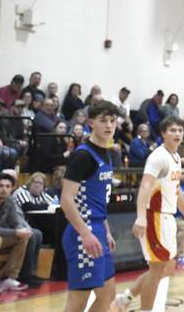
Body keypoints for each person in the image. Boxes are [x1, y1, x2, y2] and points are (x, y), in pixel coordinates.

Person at [113, 116, 184, 312]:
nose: (177, 134)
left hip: (168, 218)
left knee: (166, 268)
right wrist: (141, 216)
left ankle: (124, 299)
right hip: (155, 217)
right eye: (172, 130)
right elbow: (144, 187)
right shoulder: (158, 156)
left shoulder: (176, 157)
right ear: (163, 133)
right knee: (157, 268)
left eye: (180, 130)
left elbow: (176, 191)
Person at [59, 100, 121, 311]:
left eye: (112, 121)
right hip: (81, 233)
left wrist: (106, 231)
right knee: (78, 300)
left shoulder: (107, 153)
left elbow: (97, 199)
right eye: (103, 121)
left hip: (97, 229)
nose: (109, 125)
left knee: (108, 296)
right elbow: (66, 200)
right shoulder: (83, 155)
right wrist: (85, 233)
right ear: (91, 123)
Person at [0, 172, 31, 292]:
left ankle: (9, 277)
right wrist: (15, 232)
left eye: (7, 187)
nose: (4, 189)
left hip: (2, 236)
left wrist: (22, 230)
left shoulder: (10, 201)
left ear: (12, 189)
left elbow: (15, 221)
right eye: (0, 186)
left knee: (24, 237)